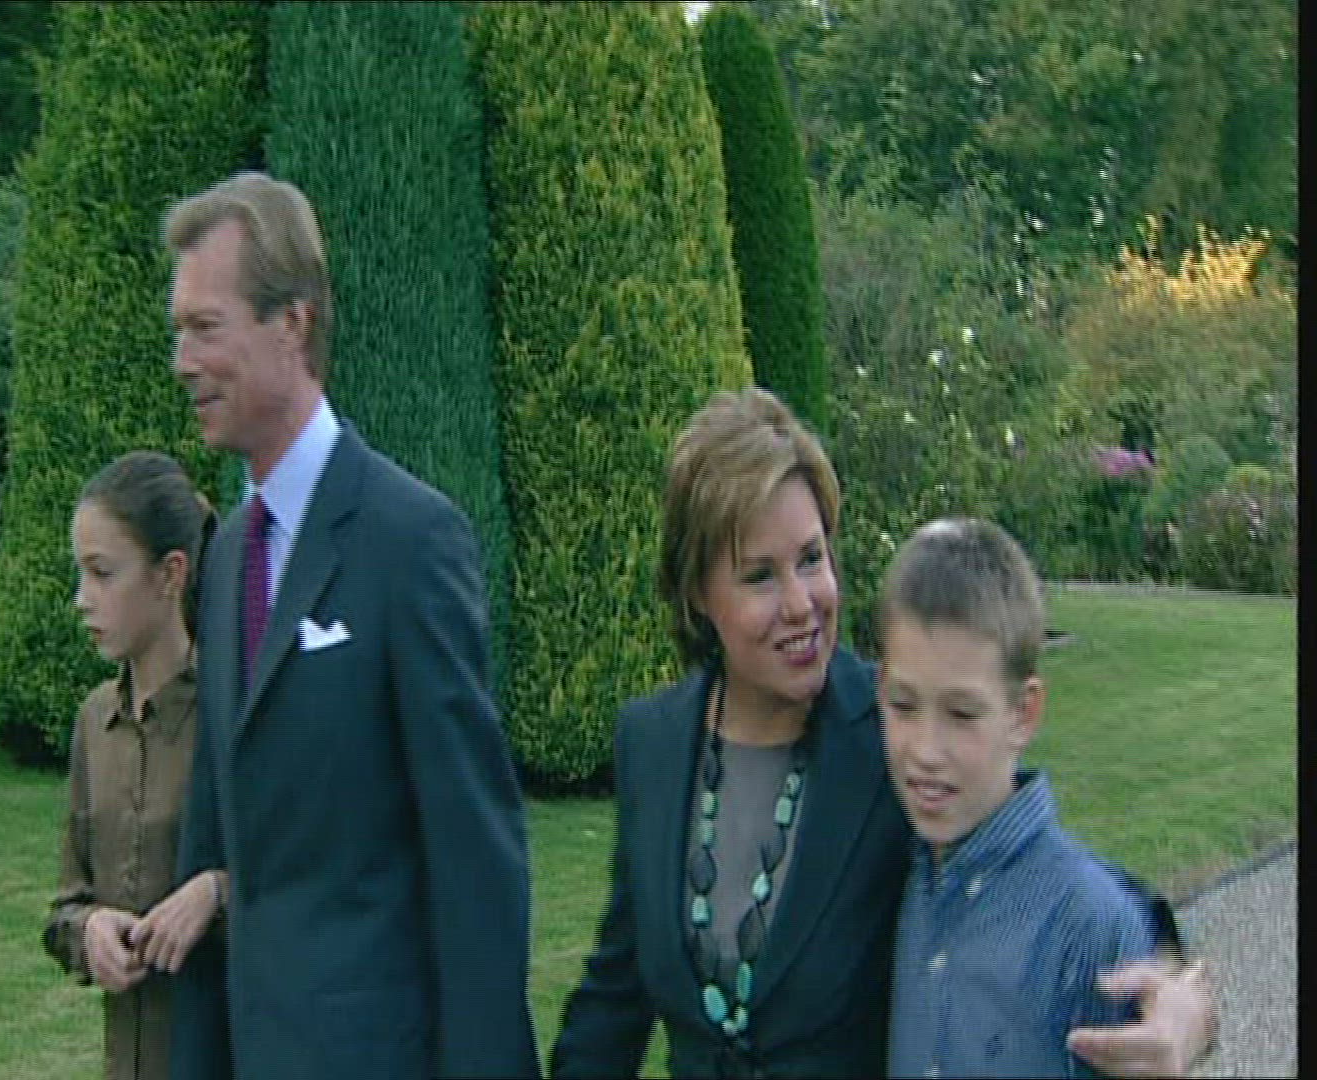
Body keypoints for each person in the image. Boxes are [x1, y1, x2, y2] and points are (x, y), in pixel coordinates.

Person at [549, 388, 1216, 1079]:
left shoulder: (893, 732)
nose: (802, 603)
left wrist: (1186, 1000)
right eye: (760, 576)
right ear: (698, 593)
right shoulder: (653, 743)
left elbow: (1049, 868)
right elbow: (614, 995)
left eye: (812, 558)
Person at [162, 171, 539, 1079]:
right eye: (178, 331)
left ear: (292, 324)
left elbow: (478, 865)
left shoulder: (411, 543)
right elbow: (216, 848)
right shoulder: (226, 560)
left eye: (205, 328)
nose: (181, 360)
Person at [878, 516, 1162, 1077]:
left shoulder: (1089, 925)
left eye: (962, 714)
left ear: (1023, 713)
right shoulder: (899, 869)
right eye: (903, 705)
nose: (926, 750)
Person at [43, 450, 221, 1080]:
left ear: (170, 574)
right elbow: (65, 907)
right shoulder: (95, 721)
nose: (81, 599)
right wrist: (87, 931)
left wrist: (218, 893)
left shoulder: (232, 716)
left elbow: (302, 884)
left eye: (102, 573)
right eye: (80, 573)